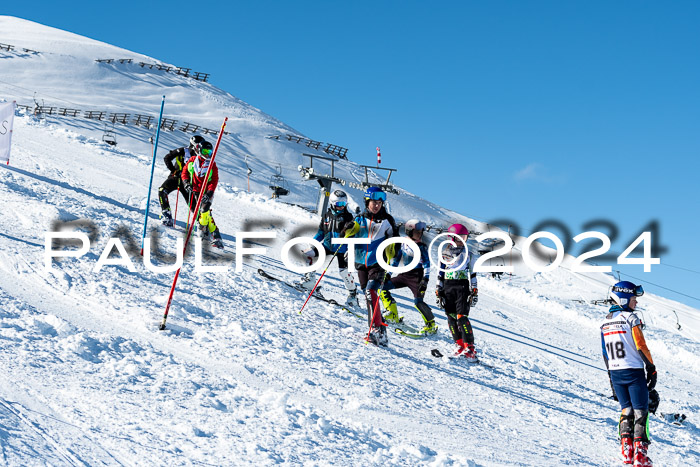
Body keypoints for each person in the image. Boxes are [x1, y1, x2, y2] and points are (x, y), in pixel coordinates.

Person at [601, 281, 656, 466]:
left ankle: (626, 451)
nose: (636, 303)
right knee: (641, 411)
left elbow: (604, 352)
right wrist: (651, 368)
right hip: (633, 371)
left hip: (615, 372)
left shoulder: (605, 322)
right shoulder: (631, 319)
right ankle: (640, 456)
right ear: (624, 298)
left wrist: (611, 377)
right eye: (633, 299)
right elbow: (641, 345)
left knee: (626, 409)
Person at [342, 186, 396, 346]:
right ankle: (380, 329)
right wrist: (347, 230)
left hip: (378, 263)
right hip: (361, 263)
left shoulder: (388, 221)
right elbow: (344, 235)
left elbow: (396, 241)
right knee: (368, 296)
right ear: (367, 202)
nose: (377, 205)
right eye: (374, 202)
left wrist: (391, 257)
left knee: (371, 291)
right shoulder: (359, 219)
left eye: (380, 202)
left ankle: (375, 330)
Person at [298, 190, 360, 307]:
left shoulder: (349, 217)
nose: (341, 207)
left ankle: (353, 296)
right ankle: (310, 282)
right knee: (309, 254)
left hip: (342, 249)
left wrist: (350, 249)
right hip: (327, 246)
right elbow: (321, 232)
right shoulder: (326, 216)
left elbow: (353, 235)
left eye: (343, 204)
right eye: (339, 204)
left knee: (344, 272)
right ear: (332, 203)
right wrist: (313, 244)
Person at [380, 219, 438, 334]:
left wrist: (425, 279)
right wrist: (389, 274)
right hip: (404, 274)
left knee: (418, 302)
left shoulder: (421, 246)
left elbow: (427, 263)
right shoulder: (404, 243)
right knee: (382, 287)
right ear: (409, 231)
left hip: (417, 277)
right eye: (417, 232)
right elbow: (396, 261)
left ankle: (430, 324)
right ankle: (392, 313)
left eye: (421, 232)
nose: (420, 234)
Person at [435, 223, 479, 362]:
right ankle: (459, 345)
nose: (461, 241)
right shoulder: (445, 254)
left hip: (462, 287)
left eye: (464, 238)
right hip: (448, 286)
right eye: (458, 238)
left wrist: (474, 290)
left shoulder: (469, 255)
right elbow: (440, 273)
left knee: (462, 317)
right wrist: (438, 289)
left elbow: (472, 273)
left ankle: (470, 348)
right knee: (451, 317)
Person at [181, 140, 224, 249]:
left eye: (209, 152)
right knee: (201, 212)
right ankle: (214, 233)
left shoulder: (212, 165)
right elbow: (184, 173)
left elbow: (214, 180)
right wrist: (186, 183)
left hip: (206, 191)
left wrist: (209, 193)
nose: (207, 154)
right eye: (205, 151)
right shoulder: (192, 161)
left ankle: (202, 227)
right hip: (195, 191)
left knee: (204, 210)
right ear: (199, 151)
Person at [158, 135, 205, 226]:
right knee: (162, 191)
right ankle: (167, 216)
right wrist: (173, 170)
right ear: (193, 145)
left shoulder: (200, 157)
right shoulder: (183, 150)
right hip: (175, 178)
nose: (200, 148)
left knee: (193, 205)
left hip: (187, 182)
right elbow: (167, 157)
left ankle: (202, 225)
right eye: (199, 146)